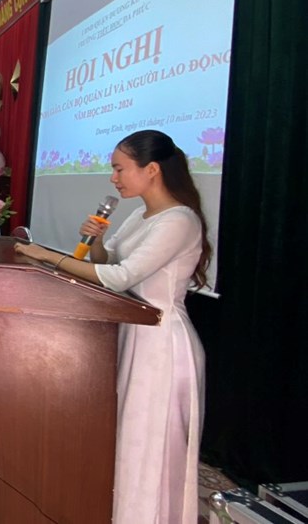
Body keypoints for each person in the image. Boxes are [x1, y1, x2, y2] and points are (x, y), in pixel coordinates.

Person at [13, 130, 209, 523]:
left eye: (120, 169)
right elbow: (108, 262)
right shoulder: (140, 215)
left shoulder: (179, 220)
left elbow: (121, 278)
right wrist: (97, 241)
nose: (113, 178)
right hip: (133, 333)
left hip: (162, 345)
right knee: (128, 440)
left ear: (151, 170)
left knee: (152, 445)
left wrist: (47, 256)